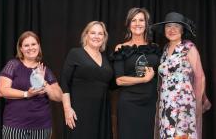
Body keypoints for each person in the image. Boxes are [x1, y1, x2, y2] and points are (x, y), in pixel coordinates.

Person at [151, 12, 211, 139]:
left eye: (176, 26)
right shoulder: (165, 49)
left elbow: (200, 77)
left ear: (182, 30)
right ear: (164, 30)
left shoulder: (189, 47)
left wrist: (196, 104)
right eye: (168, 26)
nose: (172, 30)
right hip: (166, 105)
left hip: (184, 106)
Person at [0, 31, 63, 139]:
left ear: (38, 46)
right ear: (21, 49)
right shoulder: (13, 65)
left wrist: (44, 82)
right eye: (26, 45)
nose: (30, 48)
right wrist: (27, 94)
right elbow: (2, 90)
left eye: (33, 44)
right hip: (16, 127)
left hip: (42, 128)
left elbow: (59, 96)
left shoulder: (45, 70)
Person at [110, 7, 160, 139]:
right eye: (134, 20)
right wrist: (144, 79)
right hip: (129, 104)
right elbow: (119, 80)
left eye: (141, 20)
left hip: (151, 103)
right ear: (128, 24)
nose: (137, 23)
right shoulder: (121, 48)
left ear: (146, 24)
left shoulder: (155, 48)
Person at [61, 21, 113, 139]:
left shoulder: (106, 58)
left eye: (100, 33)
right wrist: (67, 109)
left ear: (104, 37)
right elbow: (64, 82)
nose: (96, 36)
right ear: (86, 35)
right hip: (79, 111)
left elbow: (112, 84)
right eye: (93, 33)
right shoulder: (75, 53)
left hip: (101, 112)